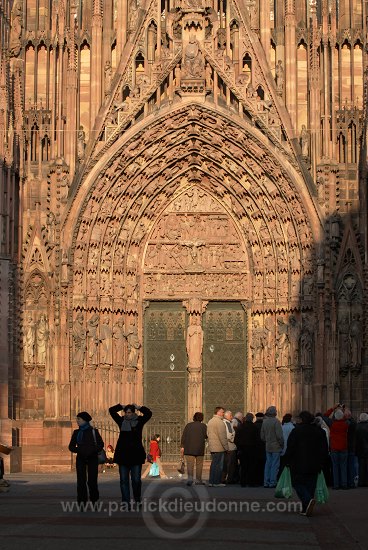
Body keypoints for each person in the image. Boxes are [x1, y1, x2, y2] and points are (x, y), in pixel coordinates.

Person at [284, 410, 328, 516]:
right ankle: (306, 509)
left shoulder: (296, 431)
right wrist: (322, 462)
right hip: (315, 464)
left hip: (299, 463)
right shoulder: (320, 431)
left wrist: (286, 460)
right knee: (310, 485)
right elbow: (324, 449)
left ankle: (307, 501)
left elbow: (291, 447)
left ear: (302, 419)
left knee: (297, 483)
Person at [109, 403, 152, 507]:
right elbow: (111, 411)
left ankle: (137, 500)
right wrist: (120, 406)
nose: (127, 414)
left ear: (133, 412)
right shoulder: (121, 421)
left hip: (136, 455)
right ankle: (125, 502)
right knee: (123, 480)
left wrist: (139, 407)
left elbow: (149, 414)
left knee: (136, 480)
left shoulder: (139, 421)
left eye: (129, 412)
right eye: (126, 412)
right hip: (123, 455)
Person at [68, 412, 104, 507]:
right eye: (77, 419)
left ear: (85, 420)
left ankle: (94, 500)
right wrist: (79, 450)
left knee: (92, 481)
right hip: (81, 458)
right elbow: (71, 446)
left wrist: (92, 450)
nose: (77, 421)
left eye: (79, 419)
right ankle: (82, 501)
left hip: (92, 458)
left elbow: (101, 444)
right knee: (81, 481)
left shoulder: (93, 431)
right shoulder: (76, 432)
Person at [323, 404, 348, 489]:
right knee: (343, 467)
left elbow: (325, 416)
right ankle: (344, 484)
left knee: (335, 467)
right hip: (343, 447)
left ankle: (336, 485)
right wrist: (343, 410)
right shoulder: (345, 423)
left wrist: (333, 408)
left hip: (334, 447)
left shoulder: (332, 423)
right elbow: (348, 418)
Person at [180, 412, 207, 486]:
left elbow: (184, 436)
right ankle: (198, 480)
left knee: (190, 465)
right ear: (202, 418)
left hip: (189, 449)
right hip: (199, 448)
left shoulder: (188, 425)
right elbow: (206, 436)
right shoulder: (203, 426)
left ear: (194, 417)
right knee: (199, 465)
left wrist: (182, 446)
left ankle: (190, 480)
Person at [260, 406, 284, 488]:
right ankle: (272, 482)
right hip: (276, 446)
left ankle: (266, 481)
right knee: (275, 465)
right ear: (274, 413)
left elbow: (262, 436)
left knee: (268, 464)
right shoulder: (276, 422)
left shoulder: (264, 422)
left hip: (268, 446)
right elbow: (279, 436)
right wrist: (281, 444)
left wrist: (267, 441)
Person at [207, 406, 229, 487]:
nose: (223, 413)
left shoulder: (210, 421)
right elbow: (222, 437)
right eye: (222, 412)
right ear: (218, 412)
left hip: (212, 447)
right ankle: (216, 482)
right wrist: (226, 448)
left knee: (213, 465)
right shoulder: (220, 422)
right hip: (219, 447)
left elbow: (207, 434)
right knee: (219, 466)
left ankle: (211, 481)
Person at [234, 412, 258, 487]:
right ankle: (251, 482)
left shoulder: (241, 427)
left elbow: (236, 439)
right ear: (252, 419)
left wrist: (239, 447)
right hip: (252, 449)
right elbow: (257, 439)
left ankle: (243, 482)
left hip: (242, 449)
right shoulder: (254, 427)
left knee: (243, 466)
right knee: (251, 466)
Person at [222, 410, 237, 484]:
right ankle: (229, 479)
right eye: (230, 415)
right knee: (230, 465)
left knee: (226, 464)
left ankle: (223, 478)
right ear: (227, 416)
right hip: (230, 447)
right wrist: (234, 439)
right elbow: (229, 435)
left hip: (226, 446)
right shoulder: (227, 423)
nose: (232, 417)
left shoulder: (225, 423)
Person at [355, 412, 368, 486]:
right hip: (367, 449)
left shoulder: (357, 426)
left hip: (359, 449)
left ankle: (361, 482)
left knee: (361, 466)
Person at [254, 412, 266, 486]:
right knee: (263, 464)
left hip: (255, 447)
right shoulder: (264, 425)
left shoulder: (254, 425)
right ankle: (262, 479)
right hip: (263, 447)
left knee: (256, 464)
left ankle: (256, 479)